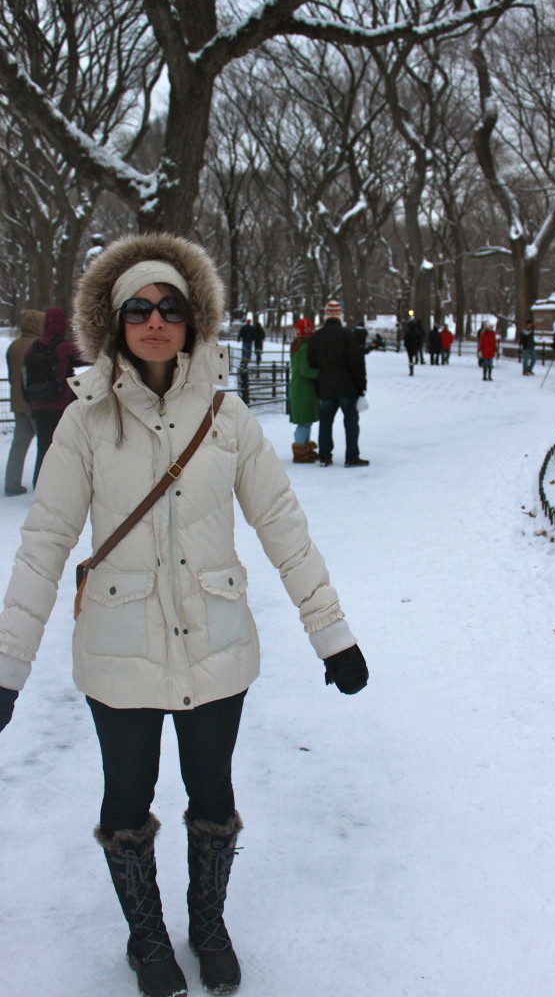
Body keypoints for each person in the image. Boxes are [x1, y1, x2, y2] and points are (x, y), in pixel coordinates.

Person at [0, 233, 368, 997]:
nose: (156, 320)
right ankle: (146, 937)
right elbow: (43, 548)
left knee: (214, 794)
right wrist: (7, 668)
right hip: (119, 648)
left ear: (193, 320)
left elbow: (284, 530)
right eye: (139, 307)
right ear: (115, 321)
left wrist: (332, 636)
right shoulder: (85, 422)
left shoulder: (228, 421)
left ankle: (207, 922)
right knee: (126, 802)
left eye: (170, 306)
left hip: (217, 644)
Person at [23, 305, 81, 487]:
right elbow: (89, 356)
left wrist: (31, 402)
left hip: (39, 406)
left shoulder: (31, 348)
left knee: (43, 446)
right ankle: (61, 486)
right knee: (64, 447)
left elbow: (23, 378)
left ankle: (39, 484)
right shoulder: (64, 347)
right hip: (62, 406)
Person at [307, 299, 369, 467]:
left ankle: (325, 456)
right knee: (351, 422)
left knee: (326, 422)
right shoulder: (348, 335)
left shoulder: (316, 336)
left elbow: (311, 363)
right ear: (339, 316)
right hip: (347, 386)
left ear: (326, 316)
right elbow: (357, 363)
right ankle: (352, 456)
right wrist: (361, 386)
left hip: (325, 385)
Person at [3, 308, 44, 496]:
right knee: (46, 445)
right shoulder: (38, 345)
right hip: (36, 403)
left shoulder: (14, 346)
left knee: (18, 445)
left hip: (18, 402)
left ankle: (11, 483)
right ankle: (44, 485)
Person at [288, 317, 319, 463]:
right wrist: (320, 373)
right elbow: (305, 370)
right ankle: (300, 449)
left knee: (305, 421)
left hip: (298, 387)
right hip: (304, 389)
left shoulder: (296, 346)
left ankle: (305, 448)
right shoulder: (305, 347)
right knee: (304, 422)